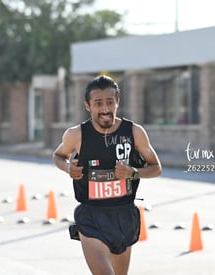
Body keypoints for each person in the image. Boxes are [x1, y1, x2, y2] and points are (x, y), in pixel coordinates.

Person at [53, 75, 162, 275]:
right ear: (88, 106)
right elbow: (58, 155)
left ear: (117, 102)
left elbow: (156, 168)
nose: (105, 109)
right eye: (98, 103)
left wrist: (133, 172)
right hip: (92, 216)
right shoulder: (76, 134)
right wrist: (68, 167)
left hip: (124, 215)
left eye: (110, 102)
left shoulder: (134, 132)